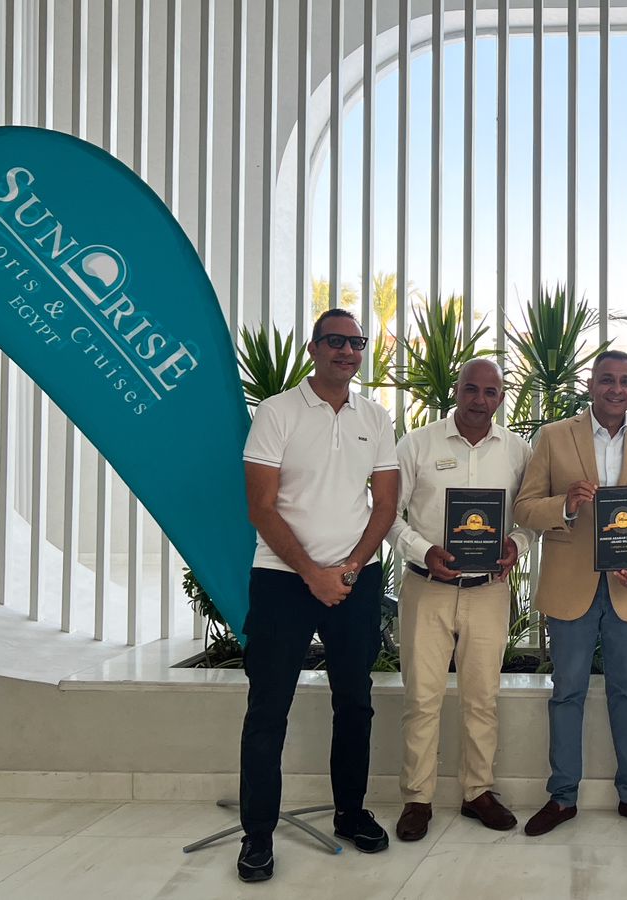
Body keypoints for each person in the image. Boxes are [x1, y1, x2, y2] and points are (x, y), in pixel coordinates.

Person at [236, 308, 397, 883]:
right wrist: (311, 572)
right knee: (268, 708)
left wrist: (348, 570)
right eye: (335, 341)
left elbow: (385, 505)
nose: (347, 351)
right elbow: (261, 507)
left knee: (354, 701)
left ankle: (350, 814)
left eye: (356, 342)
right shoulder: (276, 412)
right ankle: (258, 835)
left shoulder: (375, 417)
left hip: (356, 580)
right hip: (282, 580)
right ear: (313, 348)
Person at [512, 350, 627, 836]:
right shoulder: (554, 437)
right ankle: (562, 797)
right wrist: (565, 505)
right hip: (570, 587)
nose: (616, 389)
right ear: (591, 384)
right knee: (567, 692)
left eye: (626, 381)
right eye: (607, 379)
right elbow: (524, 508)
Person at [388, 359, 534, 840]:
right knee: (422, 698)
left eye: (490, 392)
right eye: (471, 389)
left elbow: (530, 516)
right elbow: (388, 514)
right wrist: (423, 551)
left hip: (488, 591)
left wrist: (517, 544)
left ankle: (477, 792)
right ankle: (417, 798)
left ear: (501, 398)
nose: (479, 400)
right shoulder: (417, 444)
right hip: (425, 588)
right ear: (456, 391)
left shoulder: (518, 451)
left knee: (482, 698)